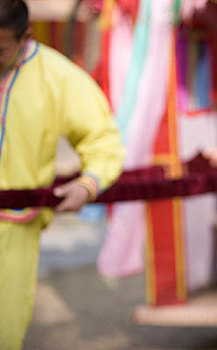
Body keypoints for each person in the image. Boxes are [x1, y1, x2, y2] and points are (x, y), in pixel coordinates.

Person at [0, 1, 124, 349]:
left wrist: (89, 184)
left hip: (12, 228)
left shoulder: (57, 75)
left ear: (25, 36)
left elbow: (102, 140)